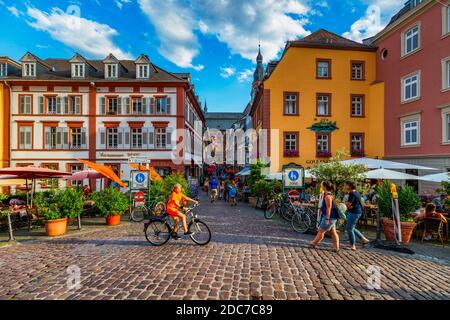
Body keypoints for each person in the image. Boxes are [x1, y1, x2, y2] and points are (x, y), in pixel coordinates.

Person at [310, 180, 340, 252]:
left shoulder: (328, 197)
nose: (321, 186)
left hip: (329, 217)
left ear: (325, 187)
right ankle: (336, 247)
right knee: (333, 232)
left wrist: (327, 219)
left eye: (322, 185)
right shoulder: (329, 195)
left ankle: (314, 243)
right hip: (332, 217)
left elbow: (329, 208)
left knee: (321, 231)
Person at [344, 181, 370, 250]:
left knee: (349, 229)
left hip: (354, 213)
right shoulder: (357, 192)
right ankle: (363, 239)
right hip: (357, 212)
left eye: (346, 185)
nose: (345, 186)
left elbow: (348, 205)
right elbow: (355, 203)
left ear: (349, 186)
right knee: (352, 227)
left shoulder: (351, 193)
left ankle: (352, 245)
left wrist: (344, 205)